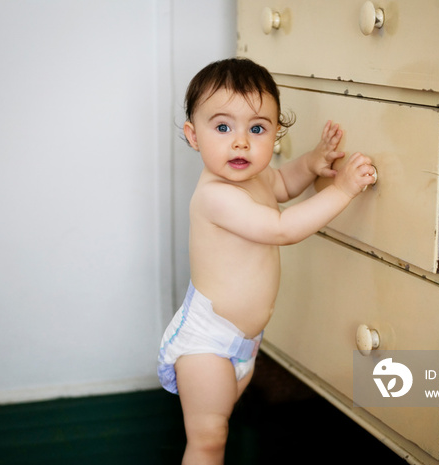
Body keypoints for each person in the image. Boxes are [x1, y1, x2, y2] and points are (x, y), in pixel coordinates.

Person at [157, 57, 376, 464]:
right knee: (207, 439)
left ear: (275, 134)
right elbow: (282, 228)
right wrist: (342, 189)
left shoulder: (256, 177)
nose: (241, 142)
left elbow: (284, 183)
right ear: (193, 135)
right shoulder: (215, 196)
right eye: (222, 127)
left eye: (256, 129)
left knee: (219, 428)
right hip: (209, 345)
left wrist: (312, 163)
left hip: (244, 343)